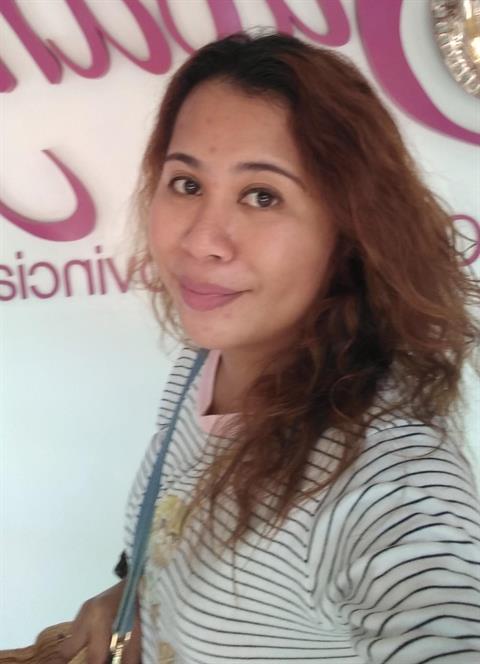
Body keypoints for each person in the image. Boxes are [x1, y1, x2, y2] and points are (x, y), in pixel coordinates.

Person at [59, 32, 480, 664]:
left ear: (350, 228)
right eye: (186, 184)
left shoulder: (391, 481)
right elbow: (174, 527)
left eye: (262, 195)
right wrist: (130, 594)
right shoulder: (200, 366)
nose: (202, 240)